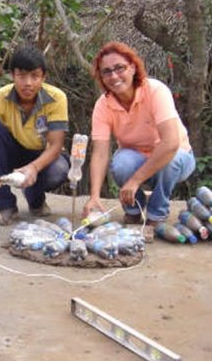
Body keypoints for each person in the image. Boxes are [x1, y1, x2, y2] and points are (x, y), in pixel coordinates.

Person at [83, 41, 195, 225]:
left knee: (171, 158)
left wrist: (134, 181)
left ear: (133, 68)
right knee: (121, 163)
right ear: (101, 77)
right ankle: (133, 209)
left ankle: (156, 213)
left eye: (120, 68)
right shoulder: (103, 105)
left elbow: (171, 143)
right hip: (138, 159)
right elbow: (100, 153)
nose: (114, 76)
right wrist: (94, 196)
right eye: (106, 72)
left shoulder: (155, 91)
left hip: (176, 159)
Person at [0, 46, 70, 225]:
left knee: (58, 170)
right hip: (13, 152)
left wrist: (33, 168)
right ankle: (5, 207)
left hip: (42, 155)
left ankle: (36, 200)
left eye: (35, 76)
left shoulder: (57, 98)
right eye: (21, 76)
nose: (28, 83)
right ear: (12, 75)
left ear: (43, 77)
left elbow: (55, 145)